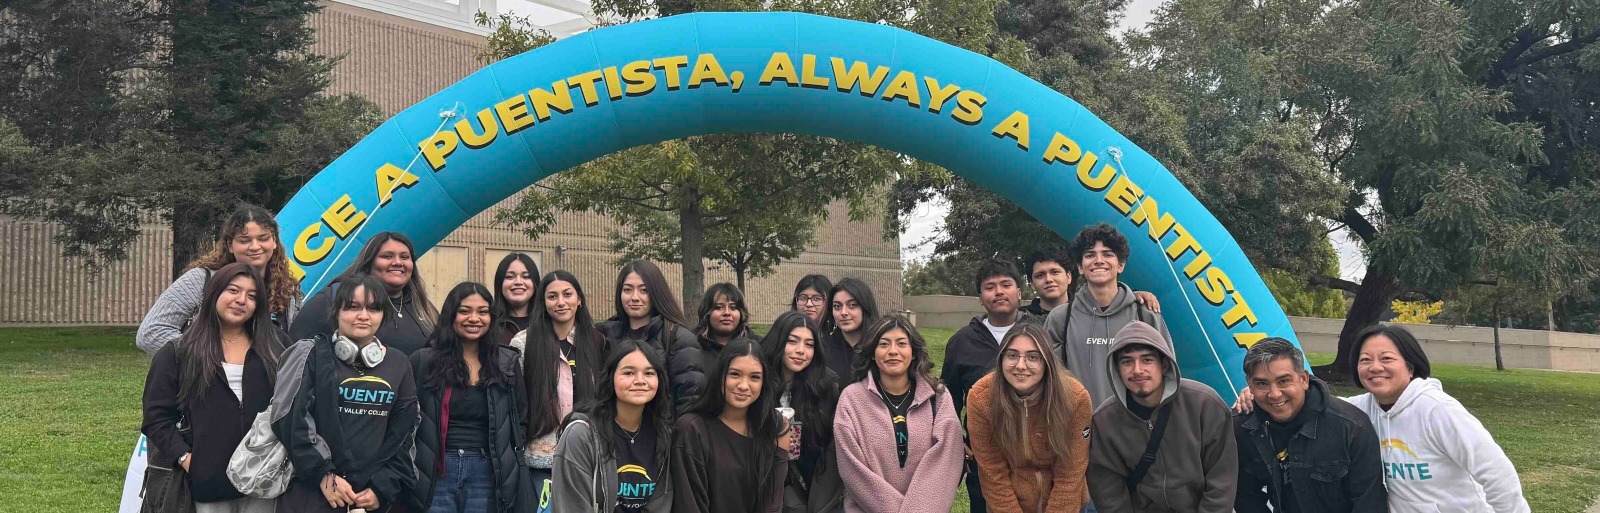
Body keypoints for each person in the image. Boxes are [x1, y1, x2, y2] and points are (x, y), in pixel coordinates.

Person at [1236, 325, 1530, 512]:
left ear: (1411, 366)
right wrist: (1253, 396)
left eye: (1387, 359)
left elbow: (1497, 475)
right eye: (1366, 360)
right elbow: (1312, 405)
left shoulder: (1438, 410)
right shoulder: (1362, 409)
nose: (1375, 368)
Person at [141, 263, 288, 513]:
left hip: (265, 484)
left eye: (252, 296)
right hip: (208, 485)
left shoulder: (277, 346)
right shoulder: (179, 353)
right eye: (233, 290)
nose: (241, 300)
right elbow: (156, 418)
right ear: (214, 293)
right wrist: (187, 460)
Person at [272, 274, 419, 513]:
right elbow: (289, 419)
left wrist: (382, 487)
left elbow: (405, 434)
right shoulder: (310, 354)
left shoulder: (399, 363)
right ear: (336, 312)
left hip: (368, 498)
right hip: (314, 494)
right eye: (352, 307)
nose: (363, 316)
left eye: (373, 308)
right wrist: (323, 474)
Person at [1086, 321, 1236, 512]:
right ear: (1117, 369)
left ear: (1164, 364)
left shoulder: (1205, 404)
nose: (1137, 369)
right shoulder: (1104, 420)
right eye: (1127, 361)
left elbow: (1222, 481)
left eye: (1147, 360)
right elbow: (1108, 491)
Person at [410, 283, 530, 513]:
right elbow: (407, 419)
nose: (474, 318)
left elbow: (520, 419)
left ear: (491, 317)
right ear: (451, 315)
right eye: (465, 311)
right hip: (435, 471)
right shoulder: (424, 361)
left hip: (487, 471)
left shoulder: (506, 363)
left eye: (482, 312)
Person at [1232, 338, 1386, 513]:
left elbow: (1369, 502)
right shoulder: (1241, 429)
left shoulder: (1351, 427)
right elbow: (1244, 495)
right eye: (1262, 383)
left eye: (1283, 381)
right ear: (1249, 384)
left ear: (1304, 379)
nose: (1274, 394)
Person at [834, 316, 964, 513]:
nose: (893, 351)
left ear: (913, 352)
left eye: (901, 343)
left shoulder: (937, 397)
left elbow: (946, 463)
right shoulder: (852, 399)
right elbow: (853, 470)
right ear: (872, 353)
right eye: (884, 344)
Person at [940, 259, 1041, 513]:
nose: (998, 292)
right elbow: (949, 396)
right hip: (984, 458)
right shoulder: (962, 341)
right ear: (980, 299)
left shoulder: (1042, 332)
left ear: (1019, 292)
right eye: (990, 287)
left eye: (1006, 284)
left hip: (1037, 455)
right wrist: (954, 437)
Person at [138, 203, 302, 356]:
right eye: (244, 240)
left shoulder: (288, 289)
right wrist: (209, 358)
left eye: (263, 238)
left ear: (274, 242)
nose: (255, 246)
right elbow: (151, 332)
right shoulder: (200, 280)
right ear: (230, 245)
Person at [966, 322, 1093, 513]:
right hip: (1007, 504)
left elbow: (1071, 473)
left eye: (1033, 357)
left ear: (1047, 361)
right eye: (1012, 355)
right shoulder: (981, 397)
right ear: (1001, 359)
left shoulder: (1075, 398)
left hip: (1066, 503)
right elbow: (993, 472)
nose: (1020, 365)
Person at [1047, 224, 1171, 408]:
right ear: (1080, 267)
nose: (1098, 260)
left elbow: (1168, 374)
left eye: (1107, 254)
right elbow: (1048, 378)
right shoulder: (1060, 318)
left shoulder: (1145, 314)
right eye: (1089, 255)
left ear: (1120, 264)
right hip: (1077, 427)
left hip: (1135, 428)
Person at [509, 270, 606, 507]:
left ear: (579, 299)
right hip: (540, 460)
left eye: (567, 294)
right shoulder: (523, 342)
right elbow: (516, 404)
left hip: (587, 456)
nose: (560, 302)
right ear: (543, 302)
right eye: (552, 296)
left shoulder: (597, 341)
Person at [550, 340, 676, 512]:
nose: (640, 380)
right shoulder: (581, 435)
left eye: (649, 373)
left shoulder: (663, 433)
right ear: (611, 378)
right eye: (629, 373)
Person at [672, 339, 790, 513]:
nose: (743, 386)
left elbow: (773, 504)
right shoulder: (692, 429)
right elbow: (689, 505)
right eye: (735, 374)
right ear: (720, 375)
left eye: (755, 377)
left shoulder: (776, 427)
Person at [291, 231, 440, 356]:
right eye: (387, 256)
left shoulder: (426, 310)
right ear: (369, 263)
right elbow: (296, 352)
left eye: (405, 257)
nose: (398, 262)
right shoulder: (333, 298)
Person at [757, 311, 844, 513]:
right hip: (760, 483)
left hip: (808, 489)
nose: (800, 351)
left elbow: (829, 450)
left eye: (809, 344)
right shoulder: (757, 382)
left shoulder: (824, 389)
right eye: (793, 341)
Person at [596, 259, 705, 412]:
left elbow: (690, 400)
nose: (634, 297)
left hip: (662, 431)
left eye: (644, 290)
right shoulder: (605, 335)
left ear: (656, 293)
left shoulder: (679, 338)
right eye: (627, 290)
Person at [818, 278, 879, 380]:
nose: (844, 312)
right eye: (837, 306)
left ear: (865, 307)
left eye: (852, 305)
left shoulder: (880, 347)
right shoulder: (821, 350)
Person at [694, 282, 759, 371]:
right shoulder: (691, 347)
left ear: (741, 313)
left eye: (733, 308)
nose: (727, 313)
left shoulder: (759, 346)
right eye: (718, 307)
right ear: (706, 312)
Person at [491, 253, 539, 343]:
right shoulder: (489, 324)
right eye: (510, 277)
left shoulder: (547, 323)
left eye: (526, 276)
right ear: (499, 283)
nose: (518, 282)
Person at [1020, 248, 1072, 317]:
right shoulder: (1020, 319)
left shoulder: (1087, 312)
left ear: (1068, 277)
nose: (1048, 279)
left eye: (1055, 272)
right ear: (1032, 283)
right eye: (1040, 275)